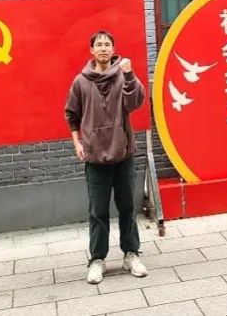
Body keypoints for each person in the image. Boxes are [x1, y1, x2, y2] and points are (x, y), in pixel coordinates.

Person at [64, 30, 148, 285]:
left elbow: (136, 102)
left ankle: (131, 254)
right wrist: (77, 143)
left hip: (123, 154)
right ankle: (97, 259)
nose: (103, 48)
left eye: (107, 44)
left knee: (127, 207)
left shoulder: (123, 76)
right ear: (91, 51)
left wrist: (130, 74)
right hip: (95, 156)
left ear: (113, 49)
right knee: (97, 211)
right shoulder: (81, 81)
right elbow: (71, 114)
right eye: (98, 44)